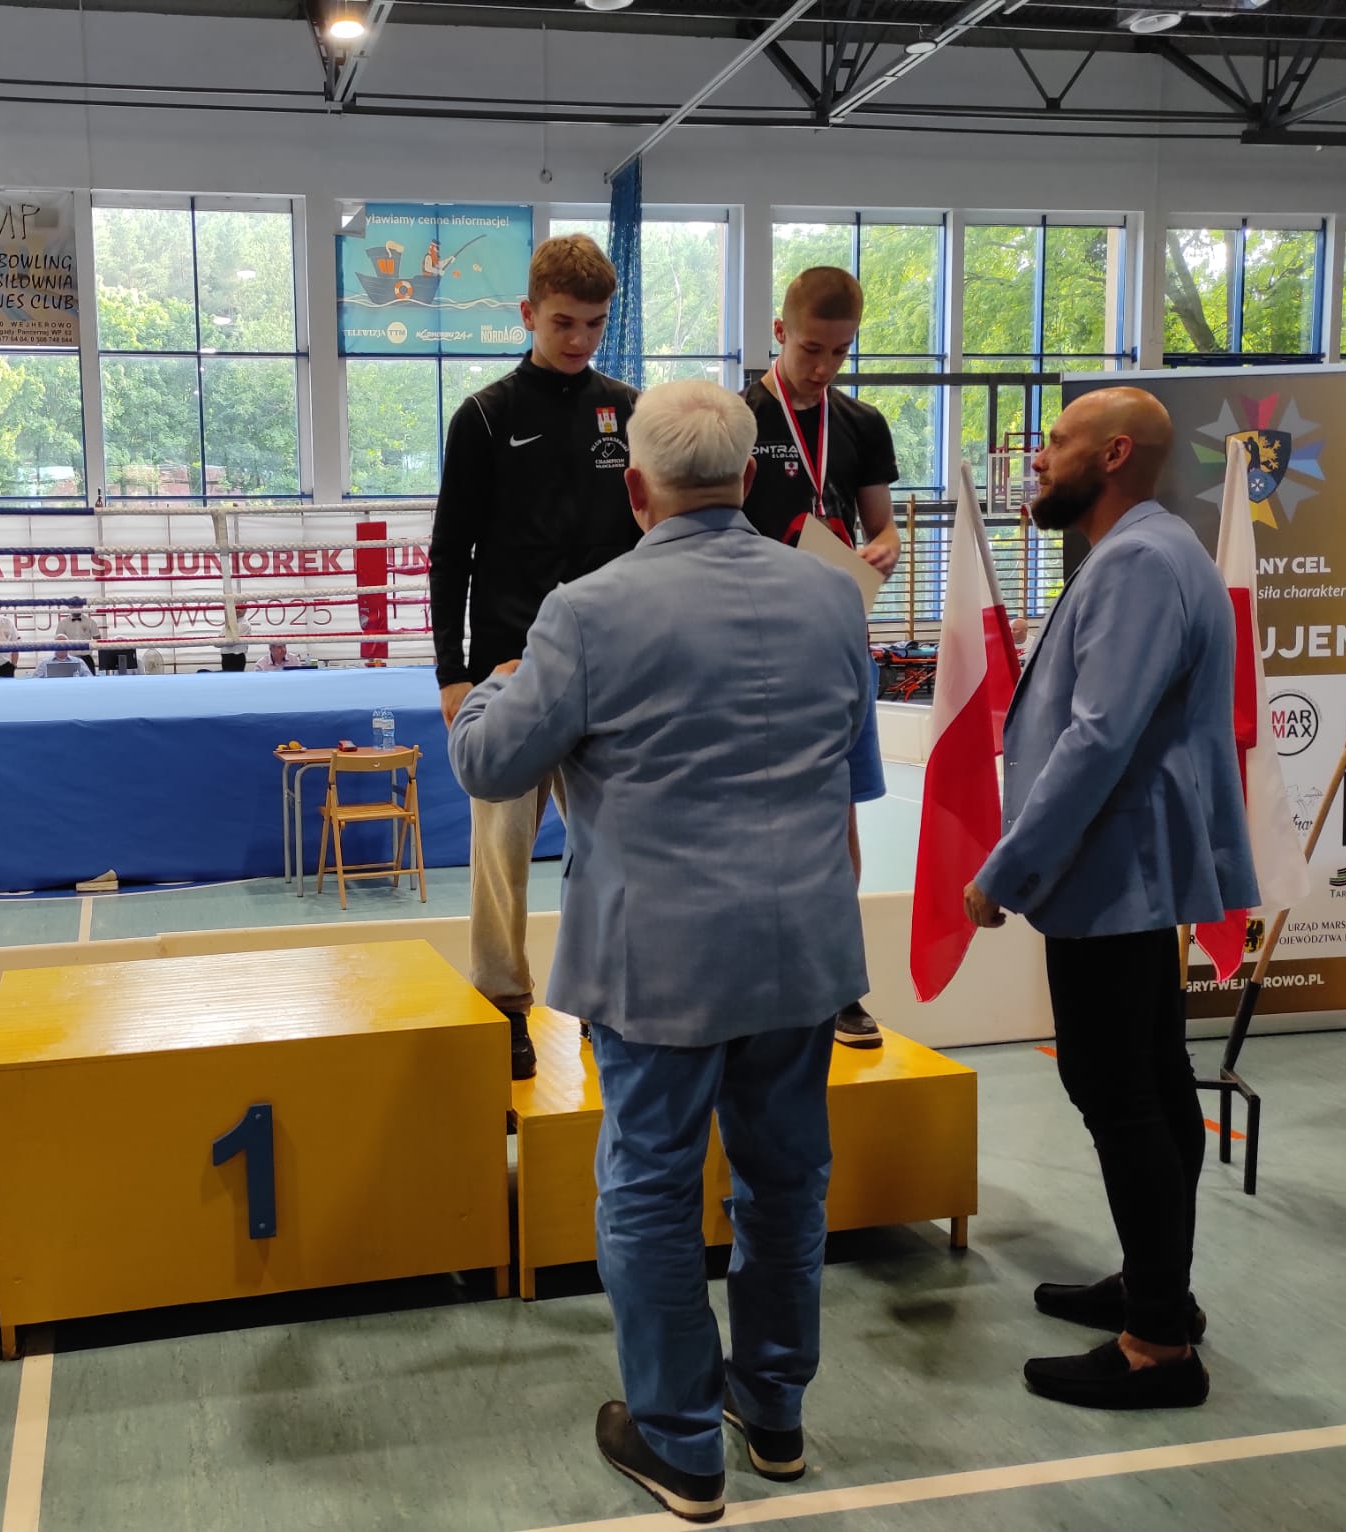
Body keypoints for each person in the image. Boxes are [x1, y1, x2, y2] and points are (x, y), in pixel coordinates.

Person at [451, 381, 872, 1522]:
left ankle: (680, 1439)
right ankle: (772, 1410)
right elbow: (849, 757)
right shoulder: (832, 597)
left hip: (658, 964)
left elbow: (491, 765)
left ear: (634, 488)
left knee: (647, 1190)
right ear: (748, 477)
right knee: (785, 1186)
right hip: (801, 952)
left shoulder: (586, 611)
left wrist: (487, 694)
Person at [964, 387, 1254, 1411]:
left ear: (1114, 453)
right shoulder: (1156, 548)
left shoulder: (1135, 562)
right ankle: (1155, 1287)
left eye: (1054, 441)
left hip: (1110, 867)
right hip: (1129, 868)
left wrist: (1006, 868)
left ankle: (1155, 1345)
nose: (1038, 458)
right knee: (1153, 1083)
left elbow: (1097, 737)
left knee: (1119, 1092)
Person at [430, 233, 640, 1081]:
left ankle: (600, 998)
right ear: (527, 314)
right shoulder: (484, 417)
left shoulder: (628, 412)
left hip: (609, 671)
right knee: (502, 853)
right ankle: (503, 1003)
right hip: (509, 671)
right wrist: (453, 673)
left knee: (611, 849)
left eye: (594, 324)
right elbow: (451, 553)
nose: (580, 339)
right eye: (563, 323)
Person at [741, 265, 902, 1052]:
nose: (824, 367)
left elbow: (884, 527)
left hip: (836, 641)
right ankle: (753, 981)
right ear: (780, 332)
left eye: (841, 352)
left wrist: (885, 548)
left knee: (838, 813)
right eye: (811, 349)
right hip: (752, 647)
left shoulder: (863, 424)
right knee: (749, 814)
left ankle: (839, 983)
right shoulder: (737, 417)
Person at [55, 598, 98, 674]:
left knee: (90, 679)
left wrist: (90, 646)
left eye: (78, 605)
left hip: (86, 658)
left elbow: (98, 639)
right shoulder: (63, 623)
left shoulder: (90, 622)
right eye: (74, 605)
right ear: (69, 606)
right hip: (69, 658)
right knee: (68, 679)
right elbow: (58, 641)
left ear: (82, 606)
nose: (76, 607)